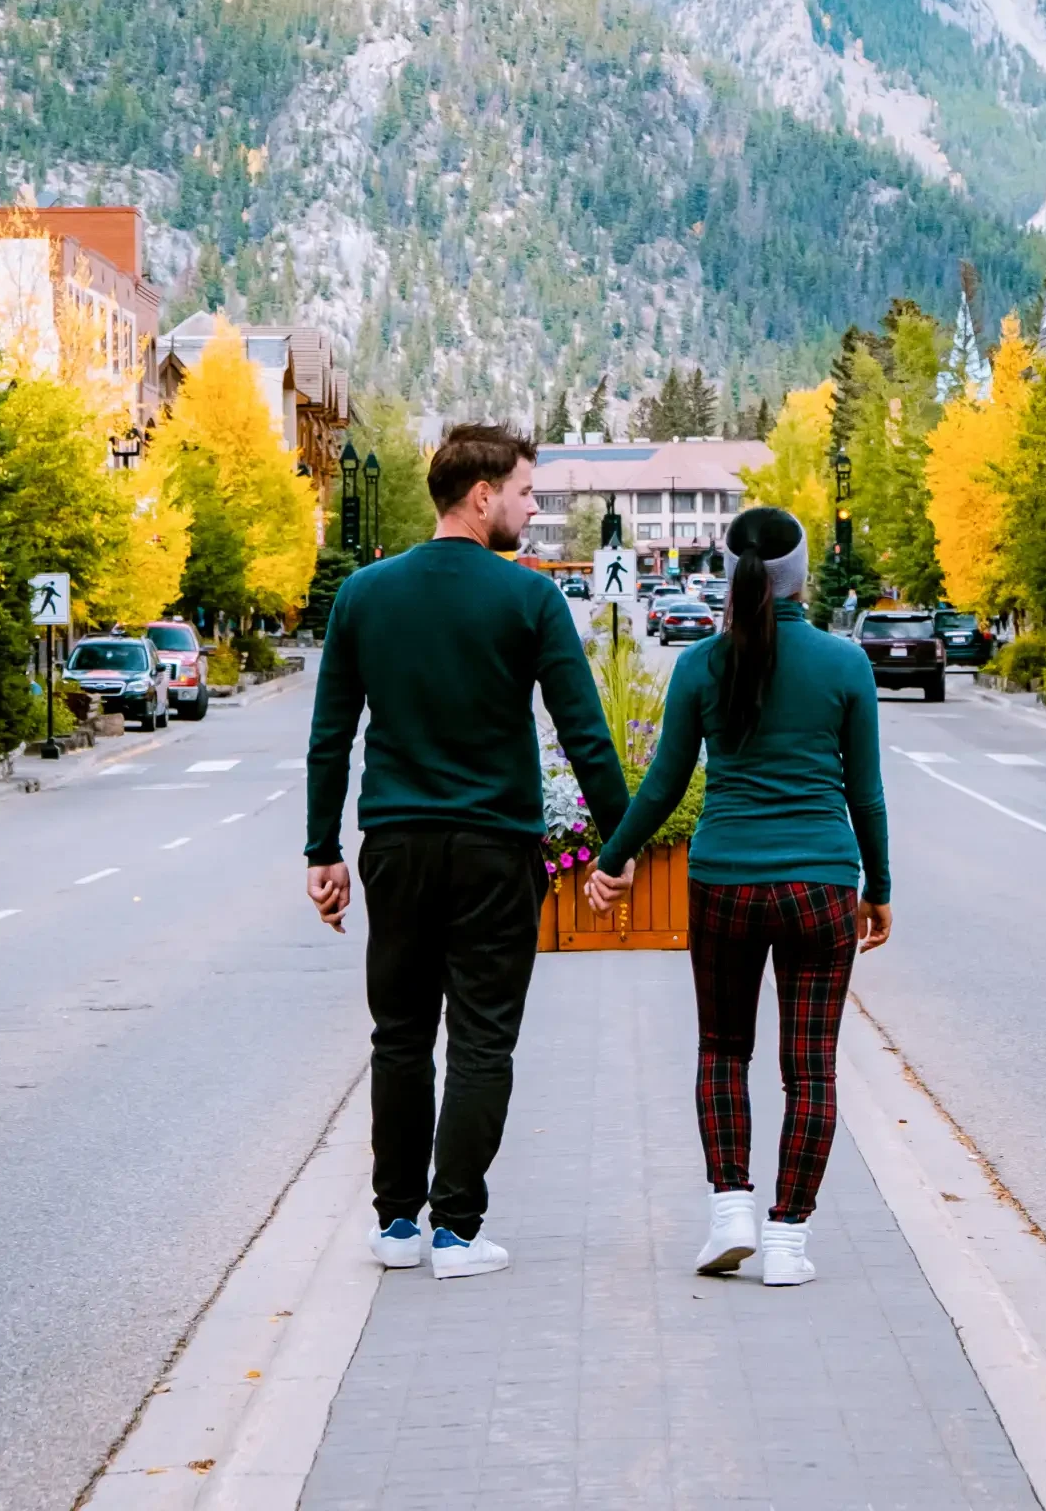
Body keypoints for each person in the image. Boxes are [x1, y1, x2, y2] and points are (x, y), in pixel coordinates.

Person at [304, 423, 627, 1282]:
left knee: (400, 1035)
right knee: (484, 1037)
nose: (531, 506)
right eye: (526, 492)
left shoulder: (365, 596)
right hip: (495, 848)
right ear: (481, 497)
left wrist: (321, 851)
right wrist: (618, 843)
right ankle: (457, 1230)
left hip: (396, 845)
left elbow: (330, 737)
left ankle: (397, 1225)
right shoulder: (528, 601)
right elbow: (585, 734)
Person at [585, 504, 889, 1290]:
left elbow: (662, 785)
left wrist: (612, 860)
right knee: (810, 1069)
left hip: (723, 883)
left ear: (728, 575)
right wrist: (878, 888)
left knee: (723, 1050)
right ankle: (788, 1238)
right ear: (801, 575)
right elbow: (868, 795)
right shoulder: (846, 665)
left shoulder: (699, 667)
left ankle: (731, 1211)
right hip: (822, 886)